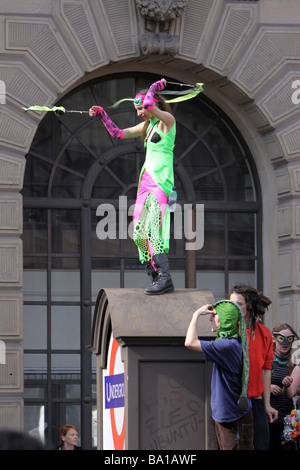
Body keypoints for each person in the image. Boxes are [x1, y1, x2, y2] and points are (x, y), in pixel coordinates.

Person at [89, 78, 175, 295]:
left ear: (153, 103)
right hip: (145, 181)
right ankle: (155, 275)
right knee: (138, 233)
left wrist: (154, 87)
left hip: (160, 180)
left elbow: (148, 106)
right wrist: (103, 115)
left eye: (140, 109)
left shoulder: (167, 121)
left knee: (153, 231)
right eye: (137, 110)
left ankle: (165, 278)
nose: (139, 113)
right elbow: (117, 133)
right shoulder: (147, 126)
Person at [185, 299, 253, 450]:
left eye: (214, 315)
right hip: (229, 414)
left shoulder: (226, 345)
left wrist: (196, 315)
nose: (210, 318)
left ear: (225, 319)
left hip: (233, 417)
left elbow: (189, 342)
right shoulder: (230, 341)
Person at [229, 282, 278, 450]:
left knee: (260, 445)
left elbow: (266, 370)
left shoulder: (264, 332)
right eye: (231, 303)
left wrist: (267, 404)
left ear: (249, 305)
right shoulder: (228, 331)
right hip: (231, 401)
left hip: (255, 403)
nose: (233, 307)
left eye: (238, 304)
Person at [269, 322, 299, 449]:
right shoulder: (265, 360)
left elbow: (293, 391)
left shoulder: (294, 363)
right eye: (281, 338)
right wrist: (267, 387)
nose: (285, 342)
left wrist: (290, 387)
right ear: (273, 339)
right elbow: (251, 383)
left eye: (289, 339)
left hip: (287, 418)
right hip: (267, 417)